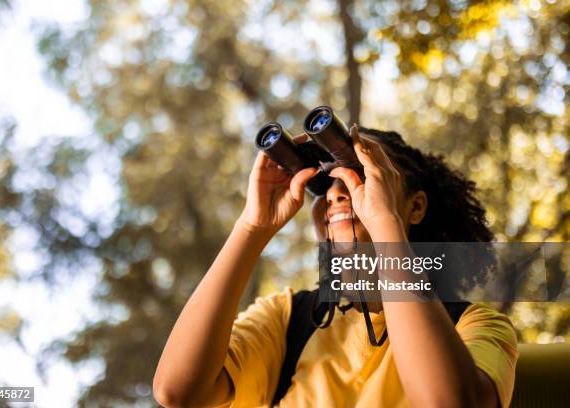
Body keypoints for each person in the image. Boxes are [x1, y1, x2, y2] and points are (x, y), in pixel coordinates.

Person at [152, 124, 518, 407]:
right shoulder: (289, 317)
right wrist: (252, 227)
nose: (336, 192)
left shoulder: (475, 325)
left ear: (415, 207)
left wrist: (385, 223)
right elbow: (177, 392)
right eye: (326, 183)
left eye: (358, 175)